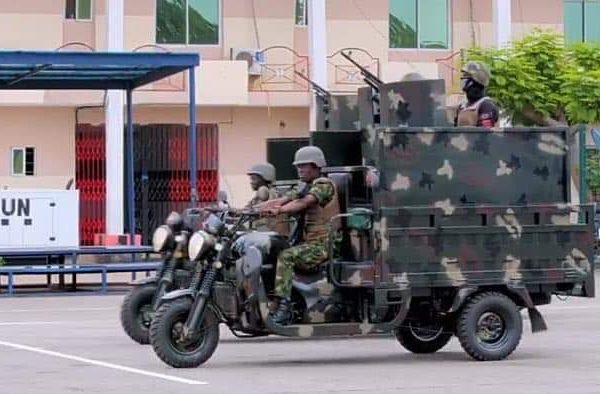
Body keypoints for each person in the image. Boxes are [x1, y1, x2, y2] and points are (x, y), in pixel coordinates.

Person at [257, 146, 341, 325]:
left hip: (324, 245)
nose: (300, 169)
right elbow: (284, 199)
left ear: (317, 166)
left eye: (304, 166)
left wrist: (278, 211)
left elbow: (303, 203)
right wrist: (250, 210)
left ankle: (284, 308)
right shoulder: (306, 186)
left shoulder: (324, 185)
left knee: (286, 257)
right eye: (298, 166)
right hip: (310, 243)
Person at [454, 61, 499, 128]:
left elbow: (484, 135)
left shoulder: (486, 105)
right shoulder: (462, 107)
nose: (463, 79)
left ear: (477, 81)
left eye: (466, 76)